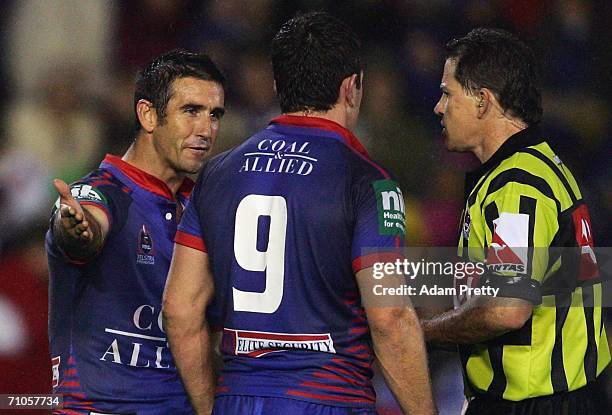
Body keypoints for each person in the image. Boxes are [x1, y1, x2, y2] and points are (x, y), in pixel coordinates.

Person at [163, 11, 436, 415]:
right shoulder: (369, 183)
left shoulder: (218, 173)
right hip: (327, 398)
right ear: (351, 88)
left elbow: (180, 310)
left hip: (237, 398)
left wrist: (211, 407)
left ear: (278, 85)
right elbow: (390, 316)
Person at [422, 28, 610, 414]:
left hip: (537, 404)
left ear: (482, 102)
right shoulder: (536, 164)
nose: (439, 107)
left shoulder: (518, 185)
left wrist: (423, 332)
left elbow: (506, 309)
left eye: (447, 92)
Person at [46, 50, 225, 414]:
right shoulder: (102, 193)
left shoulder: (204, 208)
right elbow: (86, 223)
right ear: (148, 114)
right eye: (191, 111)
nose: (205, 130)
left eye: (214, 115)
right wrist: (78, 229)